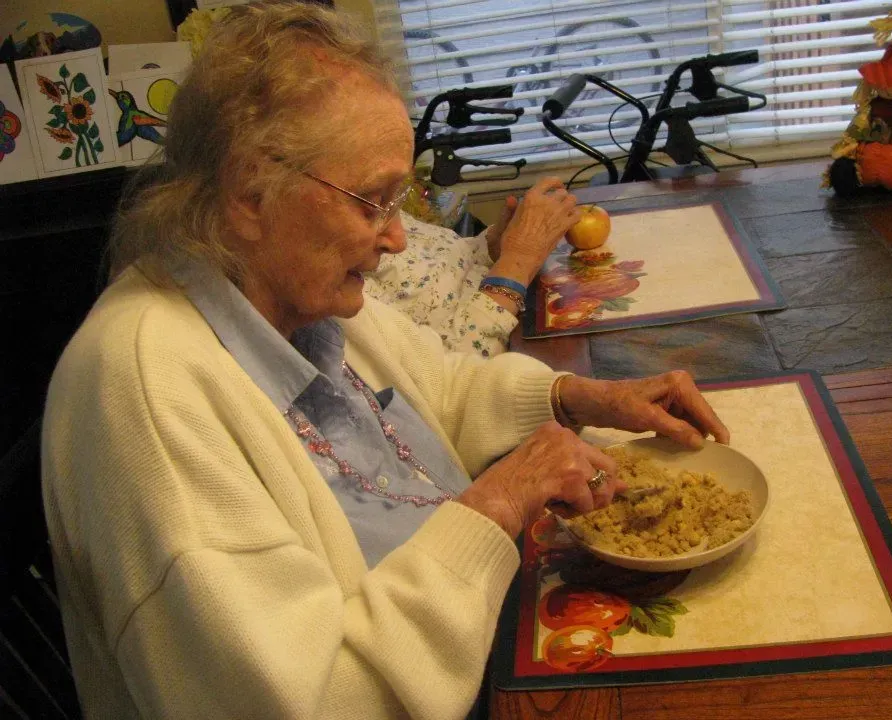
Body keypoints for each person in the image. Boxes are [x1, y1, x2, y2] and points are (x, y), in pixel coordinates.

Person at [41, 4, 729, 719]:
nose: (397, 238)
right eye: (372, 201)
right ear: (249, 192)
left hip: (475, 638)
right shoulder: (145, 391)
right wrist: (496, 505)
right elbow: (317, 700)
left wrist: (581, 398)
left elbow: (445, 390)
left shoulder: (287, 288)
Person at [368, 179, 578, 357]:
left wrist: (491, 249)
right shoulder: (347, 300)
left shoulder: (377, 203)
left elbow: (442, 259)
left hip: (514, 310)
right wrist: (517, 261)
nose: (399, 238)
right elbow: (449, 374)